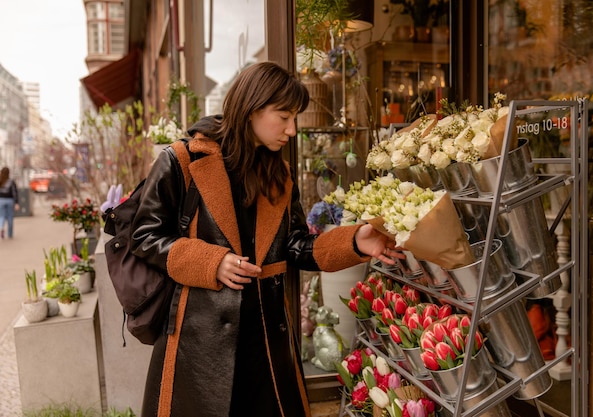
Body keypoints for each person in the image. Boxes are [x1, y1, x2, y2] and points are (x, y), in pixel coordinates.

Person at [131, 61, 403, 417]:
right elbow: (145, 236)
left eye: (295, 118)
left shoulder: (279, 174)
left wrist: (356, 242)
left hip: (266, 346)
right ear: (251, 108)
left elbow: (294, 246)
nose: (292, 130)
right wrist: (210, 262)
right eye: (284, 116)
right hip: (200, 347)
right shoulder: (181, 160)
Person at [0, 166, 19, 239]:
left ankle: (1, 227)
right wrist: (16, 203)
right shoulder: (11, 182)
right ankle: (10, 234)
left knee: (1, 216)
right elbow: (14, 193)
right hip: (9, 200)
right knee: (10, 217)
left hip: (1, 200)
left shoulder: (0, 181)